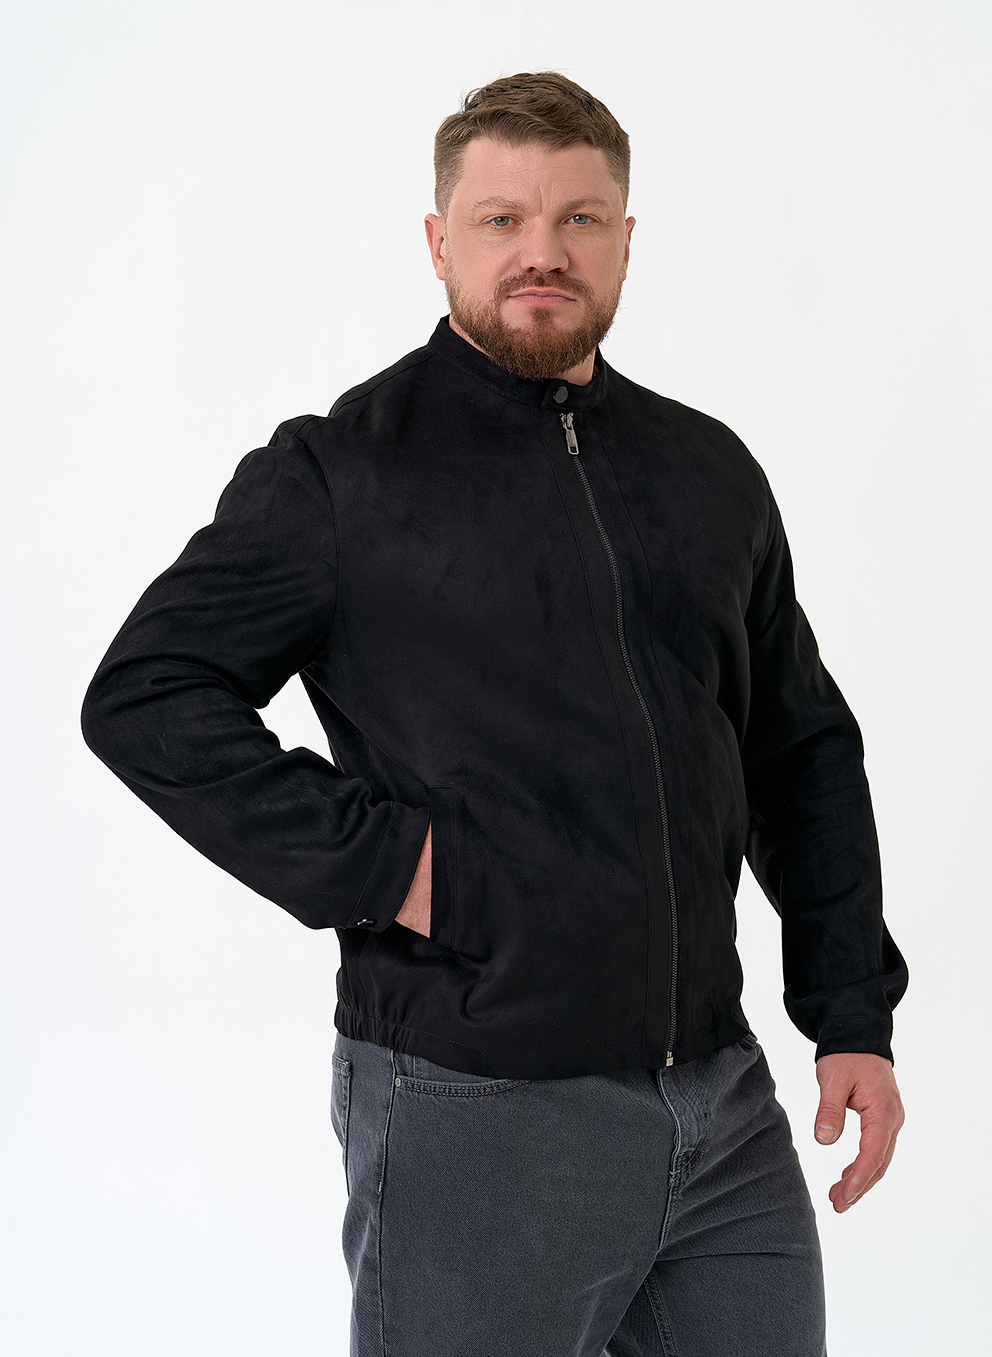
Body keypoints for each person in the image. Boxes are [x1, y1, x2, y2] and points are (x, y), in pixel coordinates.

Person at [81, 71, 909, 1357]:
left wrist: (849, 1013)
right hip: (475, 1101)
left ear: (624, 239)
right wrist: (399, 868)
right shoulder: (342, 473)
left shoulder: (706, 470)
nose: (542, 252)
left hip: (721, 1107)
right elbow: (146, 695)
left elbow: (797, 749)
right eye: (501, 219)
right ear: (438, 241)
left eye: (579, 219)